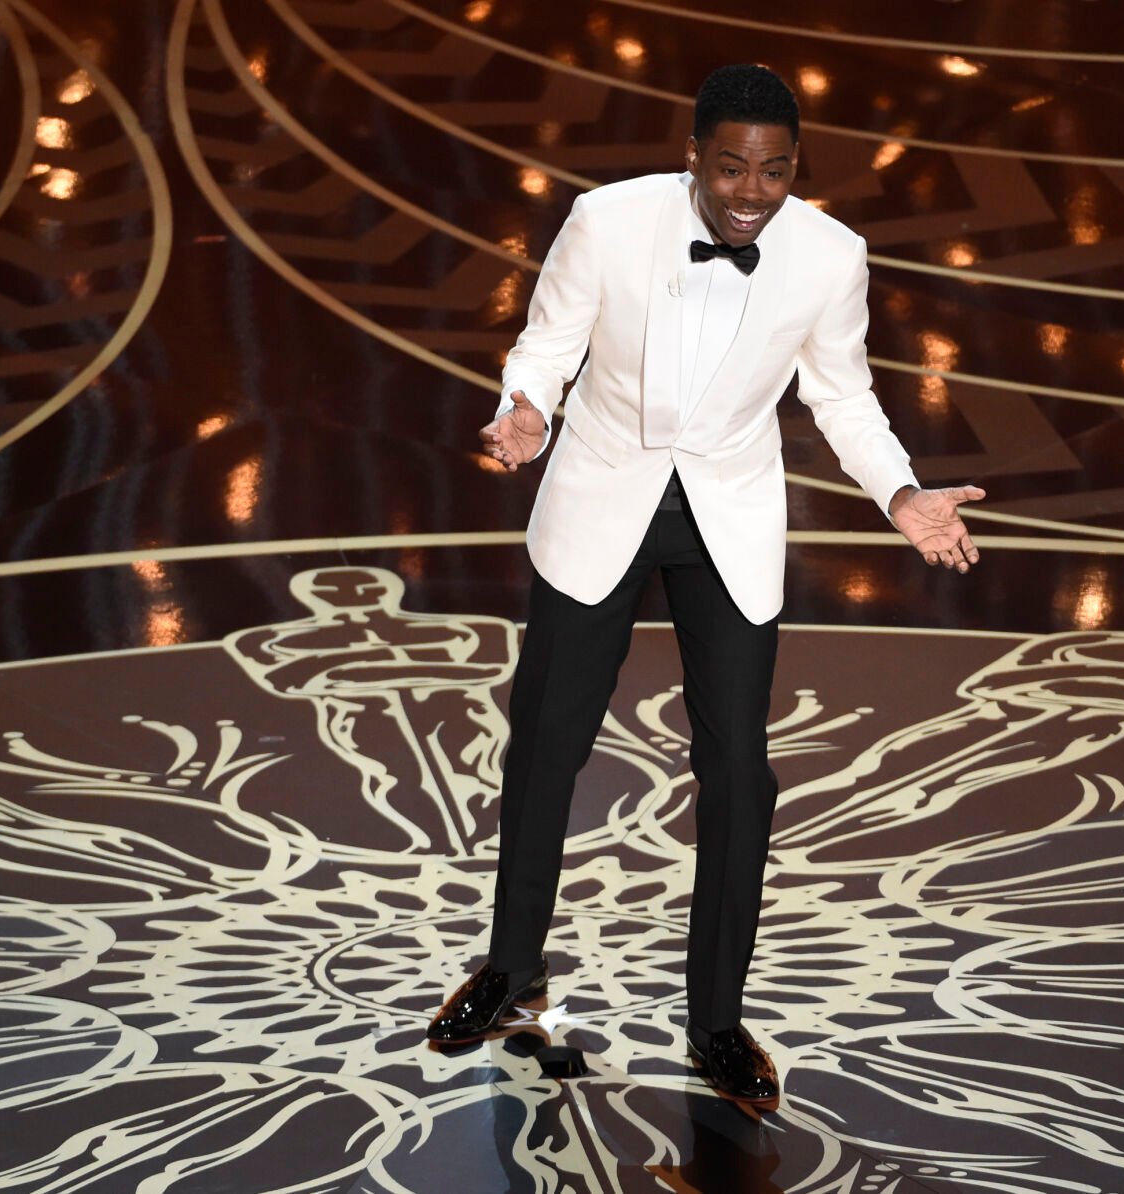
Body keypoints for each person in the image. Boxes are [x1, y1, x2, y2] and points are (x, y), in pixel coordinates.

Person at [427, 63, 986, 1109]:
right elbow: (545, 343)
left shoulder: (828, 256)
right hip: (600, 498)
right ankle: (509, 972)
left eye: (773, 170)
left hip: (724, 517)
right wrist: (526, 410)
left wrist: (902, 494)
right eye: (730, 165)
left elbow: (841, 396)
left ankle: (717, 1022)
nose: (749, 190)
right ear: (693, 156)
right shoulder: (606, 221)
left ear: (794, 169)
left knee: (740, 775)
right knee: (547, 746)